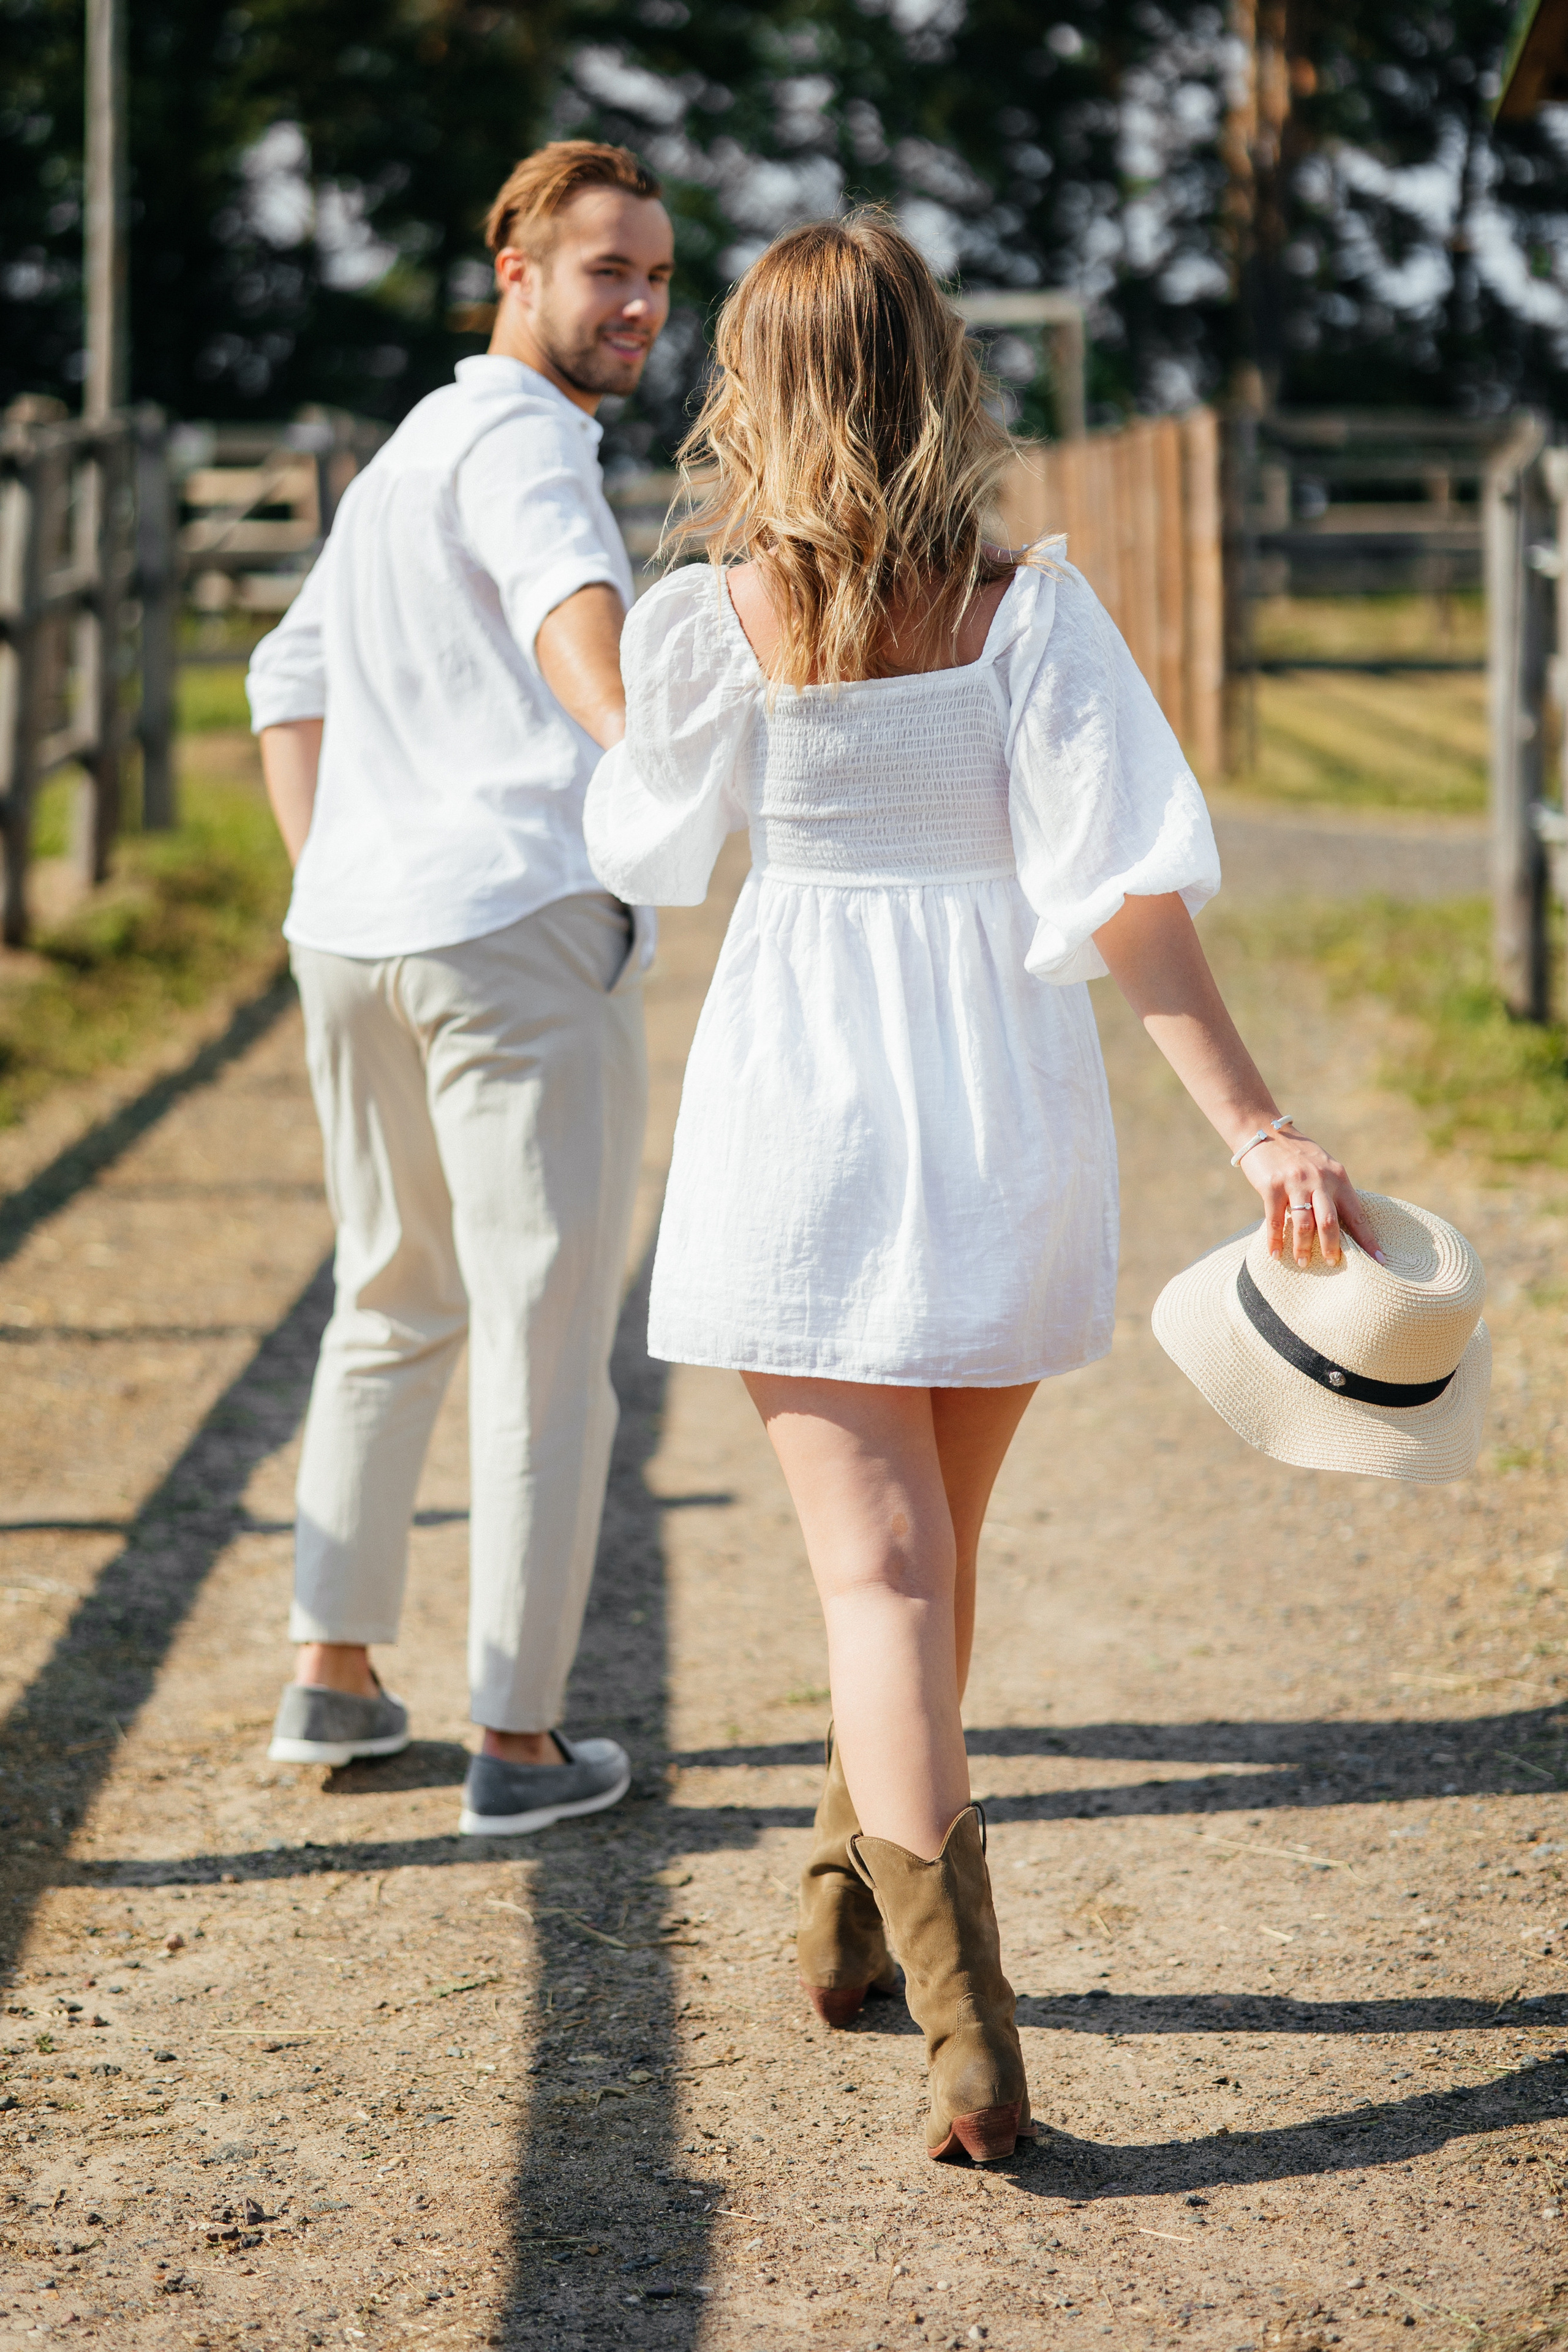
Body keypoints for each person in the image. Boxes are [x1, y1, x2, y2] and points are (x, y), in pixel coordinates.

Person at [583, 213, 1376, 2164]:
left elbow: (646, 837)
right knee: (931, 1571)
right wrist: (1259, 1129)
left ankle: (963, 2022)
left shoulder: (714, 621)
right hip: (998, 1108)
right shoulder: (1033, 611)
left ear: (755, 396)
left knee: (885, 1578)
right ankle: (881, 1939)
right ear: (942, 373)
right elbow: (1129, 899)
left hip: (803, 1108)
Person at [245, 141, 673, 1838]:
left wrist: (332, 867)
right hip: (508, 928)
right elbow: (576, 612)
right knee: (549, 1335)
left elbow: (288, 674)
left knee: (392, 1293)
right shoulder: (525, 445)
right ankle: (518, 1744)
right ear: (515, 271)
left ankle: (332, 1677)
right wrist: (647, 757)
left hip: (358, 933)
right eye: (604, 273)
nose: (638, 304)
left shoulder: (408, 450)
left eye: (654, 276)